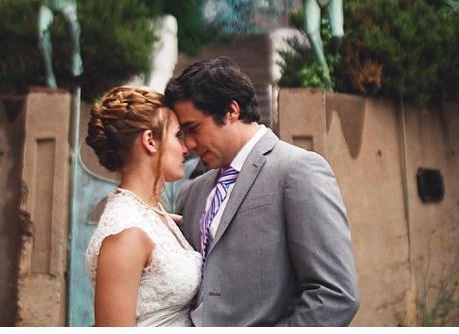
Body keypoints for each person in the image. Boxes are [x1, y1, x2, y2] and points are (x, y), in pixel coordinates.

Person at [164, 57, 360, 326]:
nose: (190, 144)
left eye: (193, 128)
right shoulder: (195, 191)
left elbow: (336, 294)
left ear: (231, 110)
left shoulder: (297, 170)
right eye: (183, 134)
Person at [84, 86, 201, 327]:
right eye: (177, 135)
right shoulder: (126, 233)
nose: (186, 148)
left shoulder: (152, 213)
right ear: (150, 141)